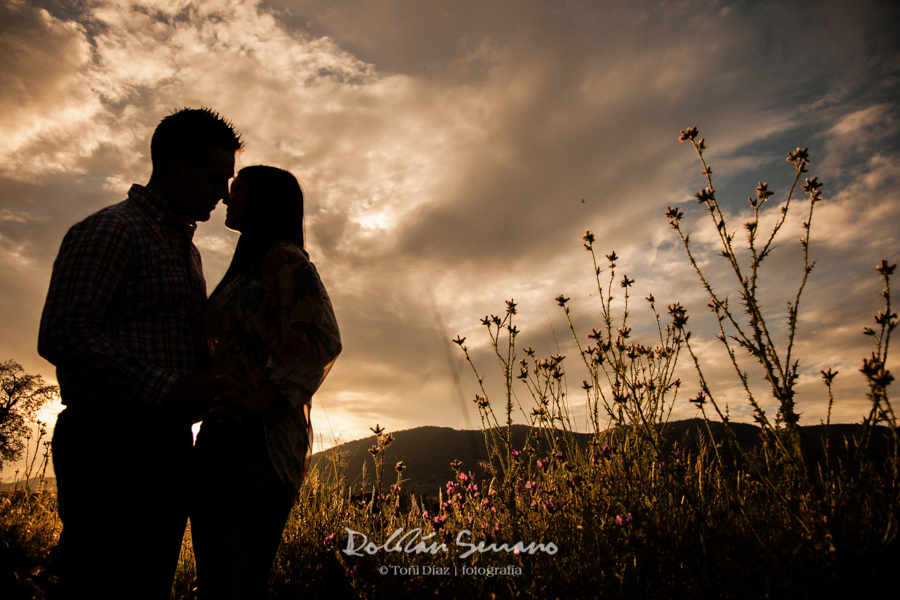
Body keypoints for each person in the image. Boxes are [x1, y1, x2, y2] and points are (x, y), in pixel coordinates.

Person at [38, 108, 244, 599]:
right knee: (102, 582)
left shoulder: (186, 250)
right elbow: (64, 333)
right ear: (176, 166)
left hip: (165, 445)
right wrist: (172, 388)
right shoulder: (113, 229)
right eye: (216, 178)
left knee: (147, 583)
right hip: (110, 443)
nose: (224, 193)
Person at [191, 165, 341, 599]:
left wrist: (260, 400)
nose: (227, 196)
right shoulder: (246, 267)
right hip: (219, 432)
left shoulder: (286, 259)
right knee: (214, 577)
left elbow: (319, 335)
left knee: (238, 579)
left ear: (264, 202)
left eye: (238, 189)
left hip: (261, 440)